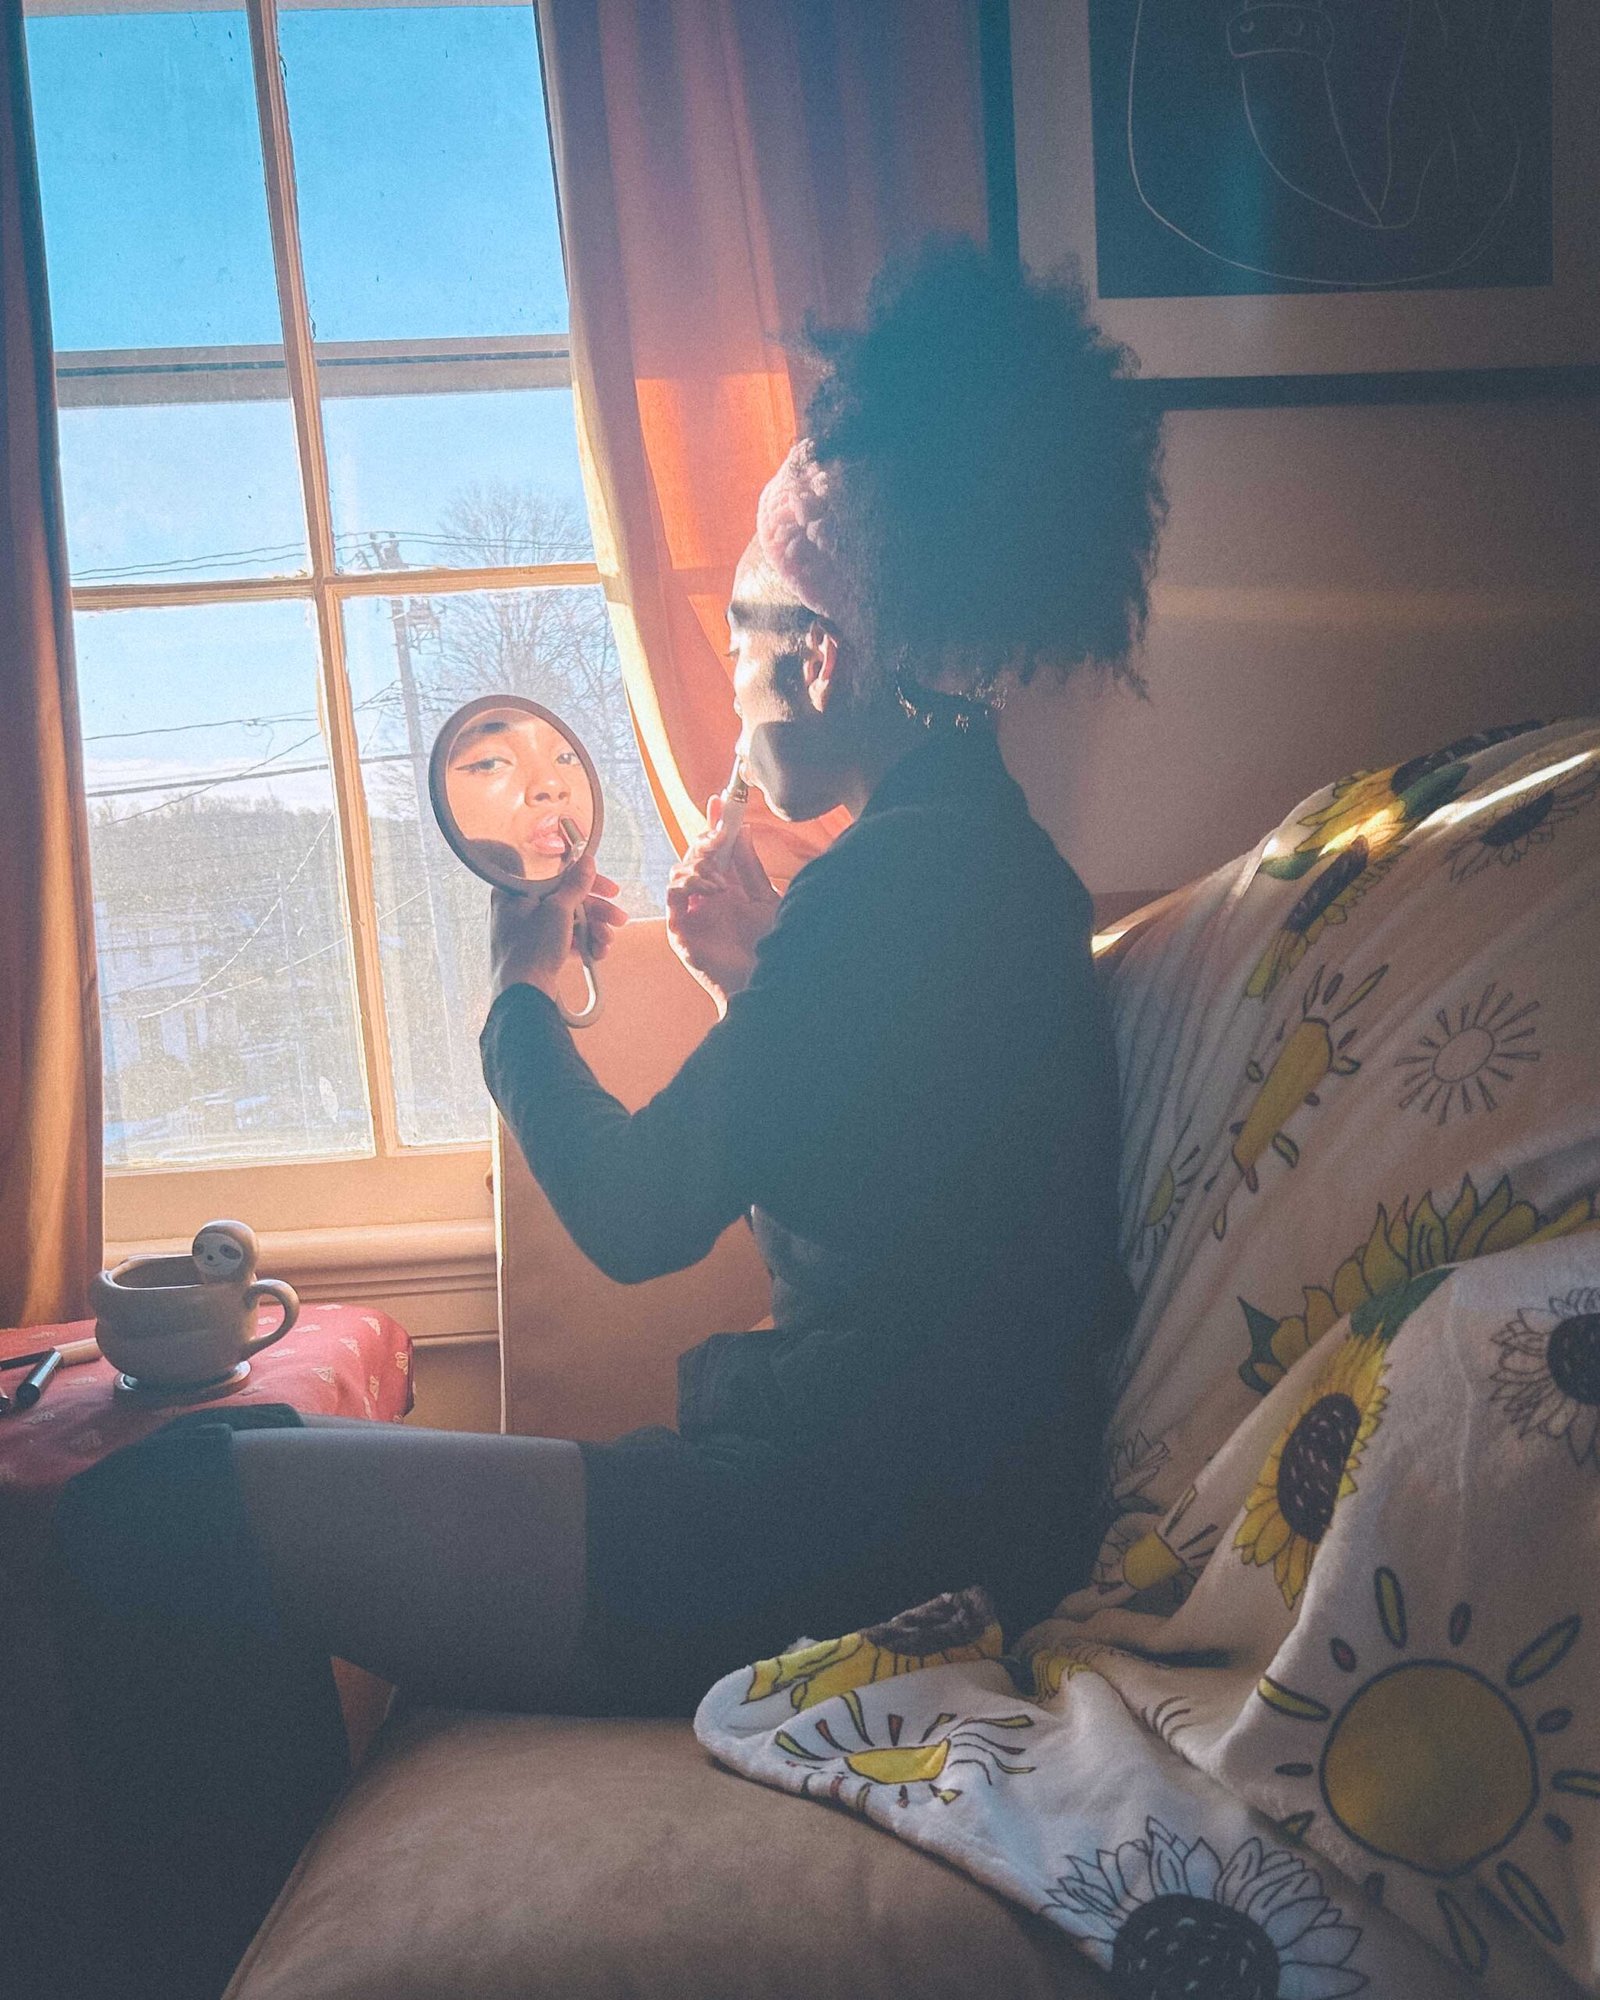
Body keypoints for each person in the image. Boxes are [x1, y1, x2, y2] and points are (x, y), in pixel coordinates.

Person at [47, 238, 1165, 2000]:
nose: (729, 682)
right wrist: (749, 984)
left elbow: (645, 1212)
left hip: (820, 1543)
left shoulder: (911, 895)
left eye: (742, 638)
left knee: (152, 1520)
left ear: (831, 655)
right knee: (192, 1501)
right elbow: (901, 1193)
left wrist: (514, 994)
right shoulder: (972, 876)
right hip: (887, 1514)